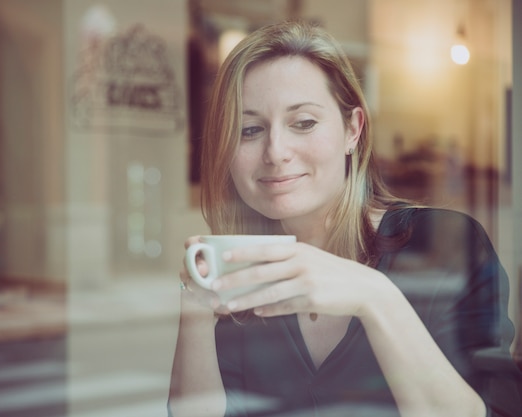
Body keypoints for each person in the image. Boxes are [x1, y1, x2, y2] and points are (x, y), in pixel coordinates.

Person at [168, 20, 519, 417]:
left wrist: (375, 296)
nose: (276, 152)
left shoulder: (448, 243)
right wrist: (196, 307)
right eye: (249, 130)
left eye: (303, 123)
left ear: (352, 129)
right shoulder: (247, 275)